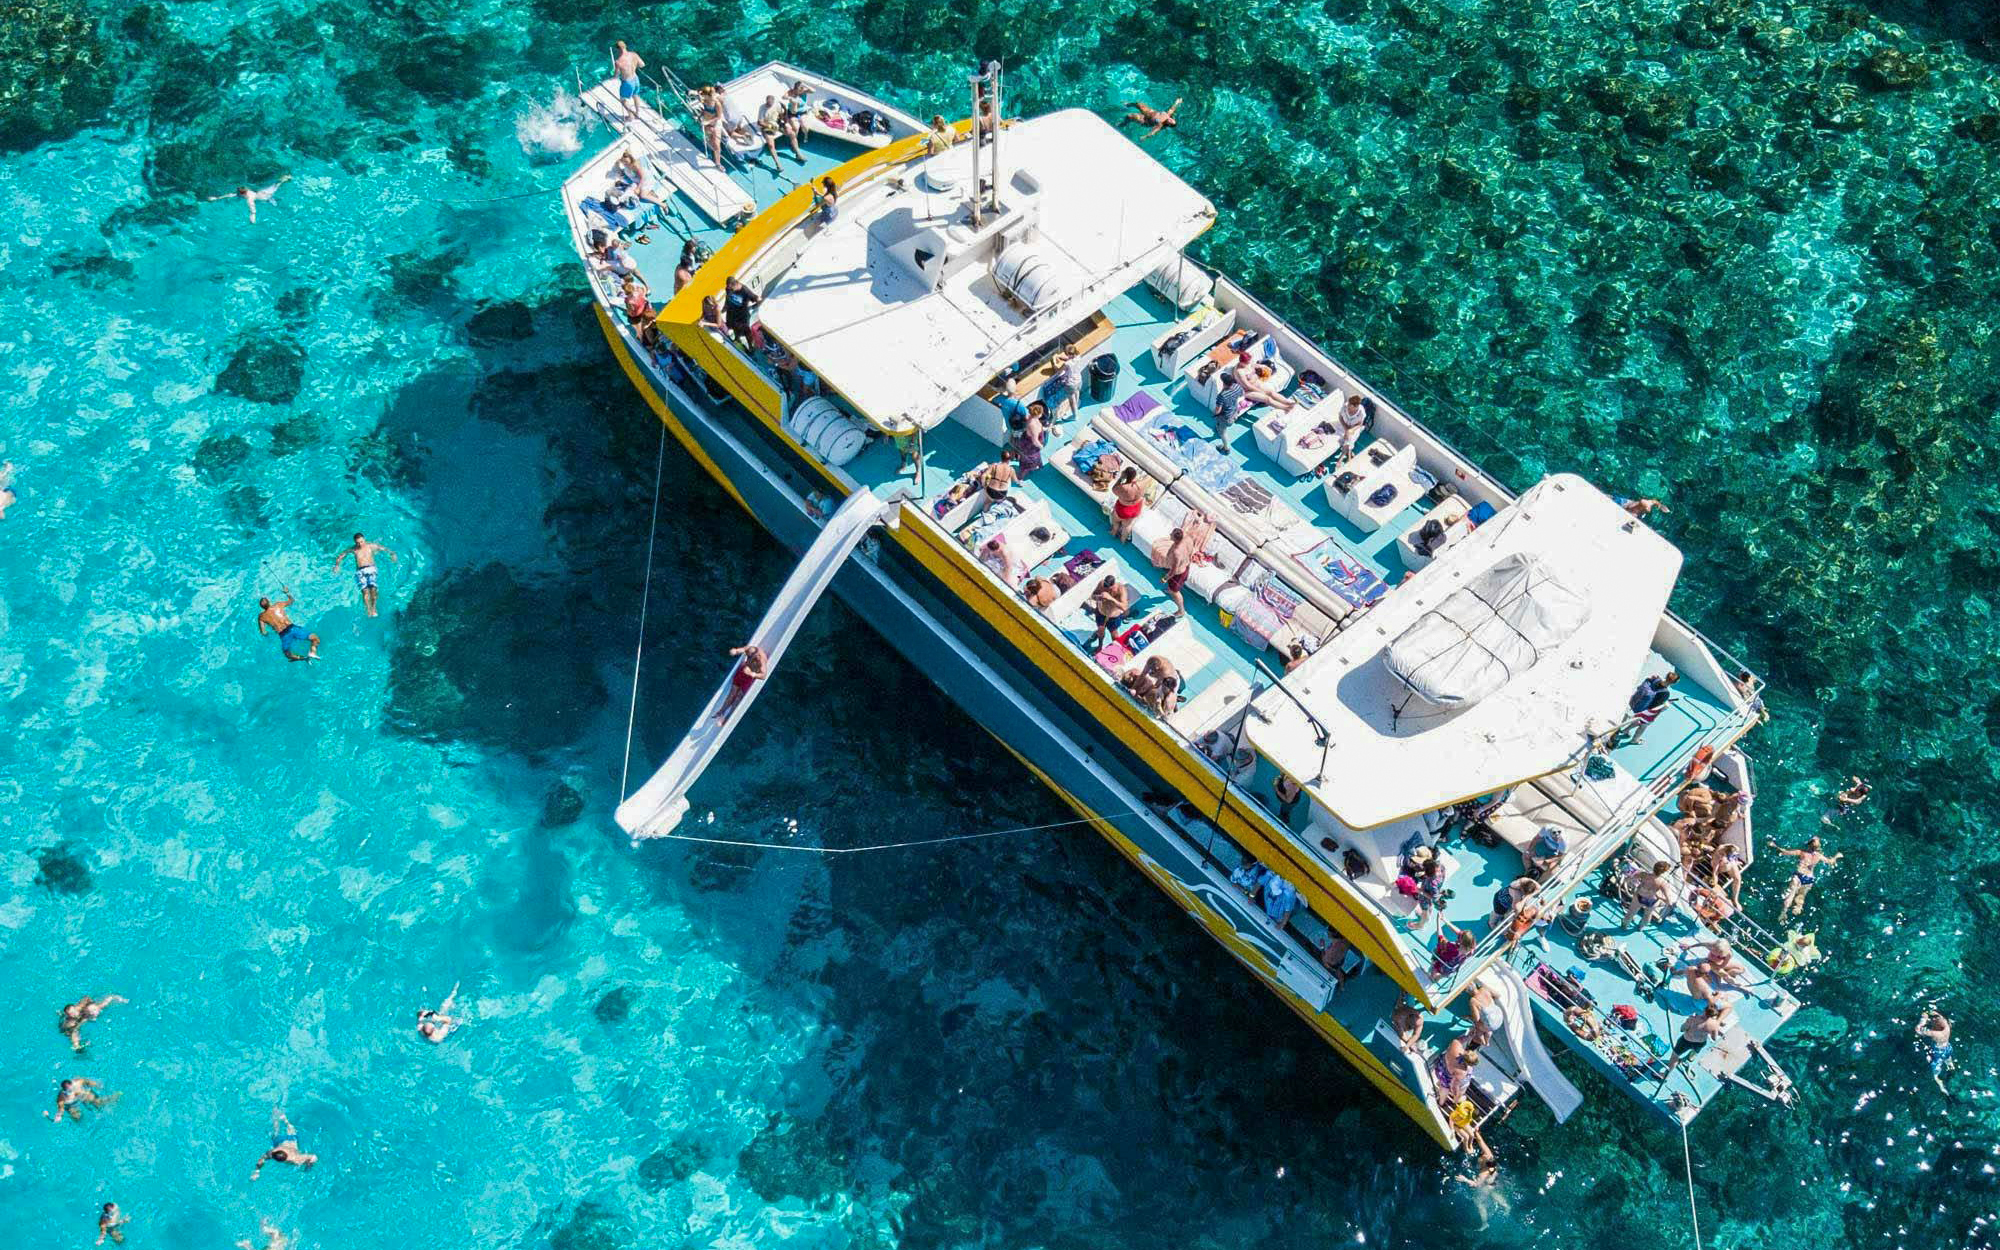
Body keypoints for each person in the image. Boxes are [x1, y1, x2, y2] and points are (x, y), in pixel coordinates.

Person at [1771, 835, 1842, 920]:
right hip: (1809, 879)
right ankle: (1798, 908)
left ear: (1808, 845)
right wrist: (1837, 856)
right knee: (1801, 897)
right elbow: (1830, 862)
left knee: (1791, 894)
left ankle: (1784, 912)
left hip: (1799, 875)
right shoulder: (1819, 856)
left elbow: (1785, 852)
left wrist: (1774, 846)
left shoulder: (1801, 852)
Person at [334, 532, 400, 618]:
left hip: (371, 569)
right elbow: (341, 555)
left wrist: (393, 555)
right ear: (355, 542)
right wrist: (337, 565)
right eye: (357, 542)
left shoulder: (371, 546)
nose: (360, 544)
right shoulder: (353, 549)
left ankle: (374, 608)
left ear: (364, 539)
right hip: (360, 572)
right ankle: (368, 610)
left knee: (373, 588)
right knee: (365, 592)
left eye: (361, 541)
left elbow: (386, 549)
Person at [255, 589, 319, 662]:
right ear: (269, 602)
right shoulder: (278, 605)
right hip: (292, 628)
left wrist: (269, 633)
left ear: (262, 607)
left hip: (283, 635)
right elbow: (291, 601)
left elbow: (263, 632)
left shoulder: (261, 617)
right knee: (315, 638)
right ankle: (312, 652)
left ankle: (304, 658)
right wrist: (287, 592)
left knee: (287, 654)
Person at [253, 1108, 317, 1179]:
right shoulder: (293, 1158)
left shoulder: (294, 1159)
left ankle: (277, 1113)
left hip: (284, 1141)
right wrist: (308, 1166)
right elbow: (313, 1157)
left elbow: (314, 1157)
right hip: (290, 1140)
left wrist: (257, 1171)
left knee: (276, 1130)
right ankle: (284, 1119)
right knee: (285, 1130)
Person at [714, 643, 768, 724]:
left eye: (751, 656)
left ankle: (727, 717)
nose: (749, 656)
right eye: (749, 655)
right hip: (742, 673)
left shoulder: (761, 660)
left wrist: (751, 674)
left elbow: (763, 676)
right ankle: (722, 710)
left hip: (749, 678)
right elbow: (741, 650)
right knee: (732, 693)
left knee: (738, 697)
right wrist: (734, 651)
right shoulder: (751, 650)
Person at [205, 176, 291, 224]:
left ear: (243, 194)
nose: (237, 193)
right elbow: (230, 195)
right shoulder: (246, 191)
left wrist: (252, 220)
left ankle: (285, 179)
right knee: (276, 184)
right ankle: (286, 177)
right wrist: (216, 198)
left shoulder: (249, 199)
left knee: (276, 196)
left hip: (265, 197)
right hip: (262, 191)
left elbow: (253, 211)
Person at [59, 993, 128, 1053]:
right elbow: (70, 1031)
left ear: (75, 1008)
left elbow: (87, 998)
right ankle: (77, 1047)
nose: (74, 1014)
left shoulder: (81, 1007)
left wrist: (118, 998)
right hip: (77, 1023)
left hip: (85, 1014)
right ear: (68, 1015)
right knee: (74, 1031)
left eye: (74, 1011)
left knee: (93, 1008)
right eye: (71, 1014)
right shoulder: (70, 1022)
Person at [1625, 670, 1679, 743]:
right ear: (1673, 683)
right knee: (1644, 725)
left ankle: (1626, 730)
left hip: (1638, 703)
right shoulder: (1665, 693)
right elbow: (1655, 707)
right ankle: (1635, 740)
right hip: (1646, 710)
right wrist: (1665, 704)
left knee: (1638, 720)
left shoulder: (1656, 679)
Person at [1622, 860, 1677, 927]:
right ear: (1663, 872)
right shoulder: (1663, 883)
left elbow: (1628, 879)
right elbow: (1669, 901)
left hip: (1640, 897)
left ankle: (1624, 925)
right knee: (1647, 916)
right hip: (1652, 901)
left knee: (1631, 913)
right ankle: (1641, 927)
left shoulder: (1643, 874)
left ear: (1654, 867)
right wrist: (1660, 898)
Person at [1671, 1002, 1728, 1066]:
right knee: (1697, 1050)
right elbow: (1714, 1038)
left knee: (1675, 1056)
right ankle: (1692, 1055)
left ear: (1704, 1010)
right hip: (1700, 1043)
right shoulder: (1714, 1025)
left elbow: (1682, 1029)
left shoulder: (1692, 1019)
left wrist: (1687, 1022)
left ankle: (1666, 1073)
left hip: (1686, 1041)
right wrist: (1717, 1031)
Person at [1159, 527, 1196, 616]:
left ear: (1175, 538)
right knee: (1171, 588)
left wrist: (1165, 578)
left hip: (1178, 574)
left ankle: (1181, 610)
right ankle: (1170, 589)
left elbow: (1174, 570)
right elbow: (1191, 552)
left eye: (1171, 535)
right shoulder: (1187, 539)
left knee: (1175, 592)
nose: (1170, 535)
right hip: (1186, 567)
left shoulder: (1177, 552)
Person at [1086, 576, 1130, 650]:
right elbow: (1093, 596)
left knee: (1115, 635)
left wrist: (1111, 598)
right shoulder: (1101, 584)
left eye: (1108, 588)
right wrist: (1099, 597)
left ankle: (1116, 650)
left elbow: (1124, 607)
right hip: (1101, 613)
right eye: (1105, 587)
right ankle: (1100, 646)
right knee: (1100, 631)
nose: (1106, 589)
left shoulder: (1121, 589)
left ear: (1113, 585)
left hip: (1113, 616)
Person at [723, 275, 764, 349]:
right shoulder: (728, 288)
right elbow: (727, 297)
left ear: (735, 285)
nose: (729, 290)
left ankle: (751, 347)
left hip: (742, 316)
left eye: (731, 288)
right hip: (731, 313)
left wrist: (752, 307)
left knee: (747, 332)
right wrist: (724, 308)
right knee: (734, 327)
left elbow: (758, 299)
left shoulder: (745, 291)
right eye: (728, 288)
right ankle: (737, 339)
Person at [1916, 1008, 1952, 1089]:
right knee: (1949, 1061)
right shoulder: (1947, 1025)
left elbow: (1918, 1030)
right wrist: (1930, 1014)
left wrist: (1923, 1020)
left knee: (1935, 1075)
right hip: (1948, 1048)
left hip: (1938, 1053)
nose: (1934, 1019)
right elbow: (1934, 1016)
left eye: (1936, 1017)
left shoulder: (1936, 1033)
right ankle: (1952, 1071)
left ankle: (1943, 1089)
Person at [1010, 401, 1047, 476]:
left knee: (1037, 456)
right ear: (1038, 414)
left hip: (1029, 442)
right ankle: (1021, 476)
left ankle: (1040, 465)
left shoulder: (1031, 417)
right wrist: (1041, 446)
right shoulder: (1033, 425)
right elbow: (1035, 441)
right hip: (1031, 446)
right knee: (1028, 462)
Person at [611, 41, 646, 119]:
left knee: (623, 99)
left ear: (618, 50)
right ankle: (637, 113)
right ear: (625, 46)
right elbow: (642, 65)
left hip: (627, 82)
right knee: (635, 95)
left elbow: (616, 76)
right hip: (635, 79)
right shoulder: (634, 54)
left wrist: (613, 73)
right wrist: (632, 66)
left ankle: (630, 116)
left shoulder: (618, 62)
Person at [1109, 468, 1145, 540]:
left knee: (1115, 520)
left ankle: (1113, 532)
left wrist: (1120, 478)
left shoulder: (1123, 488)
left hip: (1123, 510)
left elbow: (1114, 490)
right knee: (1127, 526)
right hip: (1136, 509)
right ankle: (1123, 540)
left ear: (1125, 475)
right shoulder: (1141, 484)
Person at [695, 84, 726, 166]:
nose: (701, 97)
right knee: (710, 141)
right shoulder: (704, 100)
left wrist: (707, 122)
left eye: (703, 95)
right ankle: (712, 150)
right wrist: (700, 116)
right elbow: (704, 109)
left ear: (708, 95)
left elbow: (719, 117)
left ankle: (718, 163)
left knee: (716, 145)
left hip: (715, 124)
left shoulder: (717, 104)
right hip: (706, 122)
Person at [755, 94, 788, 165]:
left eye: (770, 103)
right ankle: (778, 163)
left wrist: (785, 111)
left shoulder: (777, 105)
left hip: (777, 124)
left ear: (773, 101)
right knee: (771, 145)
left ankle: (797, 153)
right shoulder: (762, 108)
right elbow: (760, 122)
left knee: (791, 133)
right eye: (768, 102)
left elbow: (782, 115)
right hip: (767, 127)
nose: (769, 104)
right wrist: (770, 126)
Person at [1335, 392, 1369, 460]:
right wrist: (1346, 429)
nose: (1348, 405)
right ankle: (1348, 455)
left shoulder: (1361, 412)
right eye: (1348, 403)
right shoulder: (1345, 406)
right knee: (1345, 438)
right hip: (1343, 424)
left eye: (1350, 405)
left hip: (1354, 428)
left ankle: (1341, 459)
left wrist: (1350, 430)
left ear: (1356, 407)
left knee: (1349, 439)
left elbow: (1360, 424)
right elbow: (1340, 417)